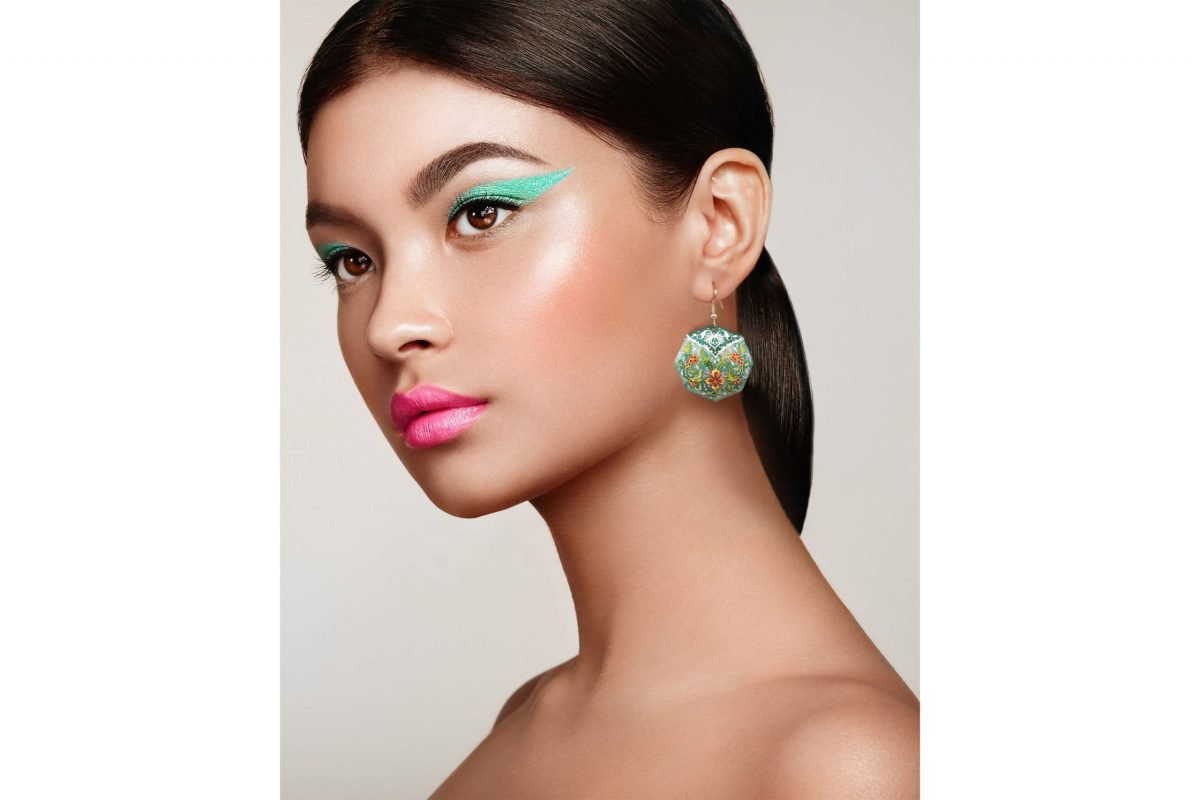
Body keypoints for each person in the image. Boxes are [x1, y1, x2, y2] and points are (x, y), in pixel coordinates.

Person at [297, 0, 918, 795]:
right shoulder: (529, 720)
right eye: (351, 260)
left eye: (480, 212)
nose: (391, 324)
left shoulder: (850, 769)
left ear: (720, 225)